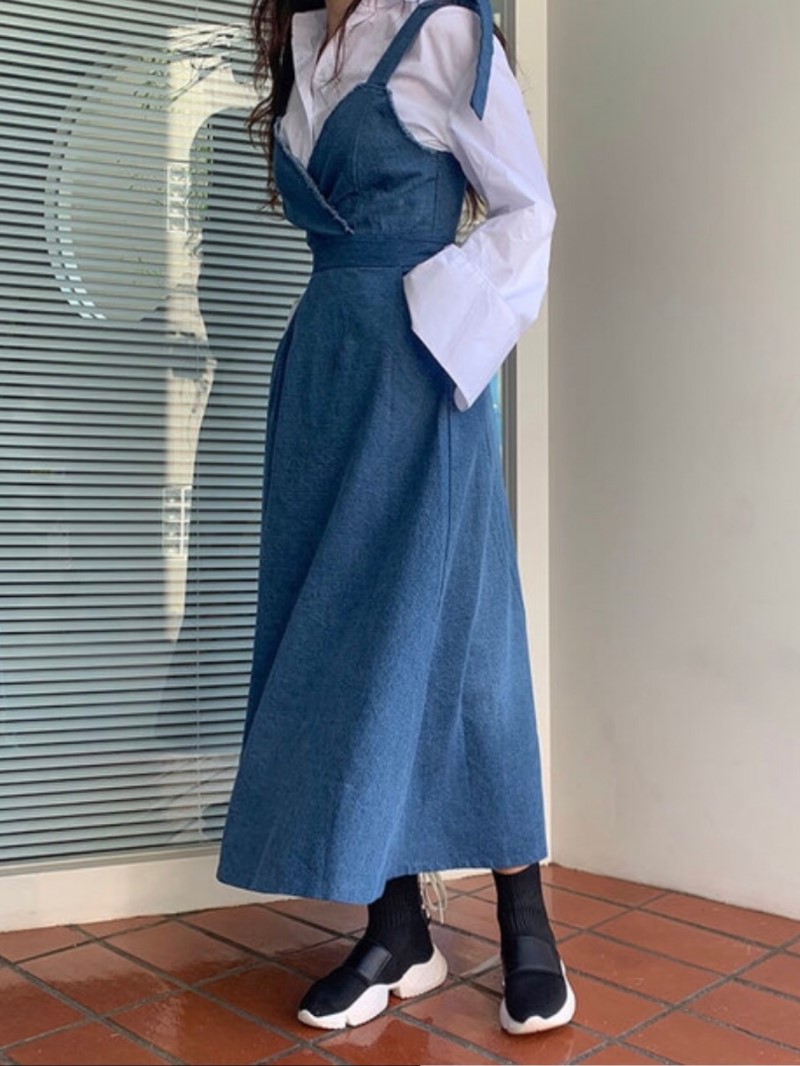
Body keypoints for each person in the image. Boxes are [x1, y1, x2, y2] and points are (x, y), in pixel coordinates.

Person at [217, 0, 576, 1036]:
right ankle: (395, 926)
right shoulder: (303, 43)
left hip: (422, 372)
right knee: (335, 638)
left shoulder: (444, 29)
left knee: (464, 639)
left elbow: (525, 211)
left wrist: (438, 328)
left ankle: (525, 921)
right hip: (322, 374)